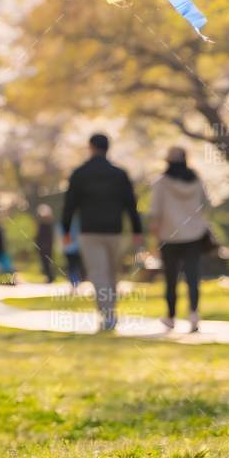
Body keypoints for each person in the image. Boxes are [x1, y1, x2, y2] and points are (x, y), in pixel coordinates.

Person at [61, 133, 143, 333]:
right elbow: (131, 206)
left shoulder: (80, 173)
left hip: (89, 231)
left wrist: (66, 230)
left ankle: (106, 313)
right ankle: (110, 312)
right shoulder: (119, 174)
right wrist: (136, 230)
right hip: (115, 231)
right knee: (111, 273)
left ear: (90, 147)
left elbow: (70, 205)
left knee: (98, 273)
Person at [149, 146, 213, 333]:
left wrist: (154, 236)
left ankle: (170, 316)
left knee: (170, 277)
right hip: (194, 234)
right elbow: (206, 204)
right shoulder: (196, 180)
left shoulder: (162, 183)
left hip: (169, 235)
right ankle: (194, 314)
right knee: (193, 276)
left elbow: (155, 212)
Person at [33, 203, 58, 283]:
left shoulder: (46, 226)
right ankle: (50, 277)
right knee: (46, 263)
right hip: (45, 246)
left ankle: (50, 277)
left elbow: (41, 237)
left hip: (45, 247)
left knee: (47, 263)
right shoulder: (44, 225)